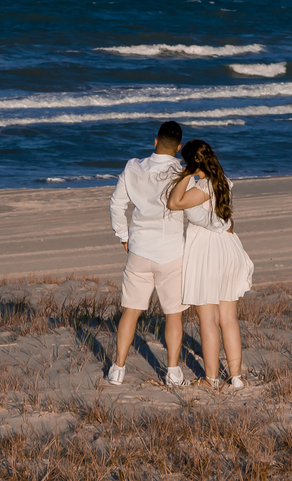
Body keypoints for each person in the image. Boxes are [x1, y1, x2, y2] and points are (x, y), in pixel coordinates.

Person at [107, 121, 190, 387]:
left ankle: (118, 369)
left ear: (155, 142)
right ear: (178, 148)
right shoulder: (182, 171)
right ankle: (173, 372)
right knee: (173, 314)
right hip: (172, 251)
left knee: (130, 311)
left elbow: (117, 204)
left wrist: (124, 236)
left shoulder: (133, 167)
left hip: (140, 248)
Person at [166, 139, 254, 389]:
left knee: (209, 320)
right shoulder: (222, 180)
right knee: (229, 318)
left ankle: (211, 378)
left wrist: (186, 173)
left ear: (192, 163)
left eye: (186, 161)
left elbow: (174, 202)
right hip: (228, 247)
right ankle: (236, 377)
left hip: (207, 251)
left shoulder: (203, 185)